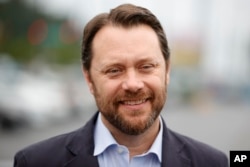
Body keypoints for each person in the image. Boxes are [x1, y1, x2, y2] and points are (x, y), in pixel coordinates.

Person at [14, 3, 228, 167]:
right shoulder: (35, 162)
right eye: (114, 70)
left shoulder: (213, 163)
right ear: (89, 78)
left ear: (167, 70)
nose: (133, 84)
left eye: (146, 66)